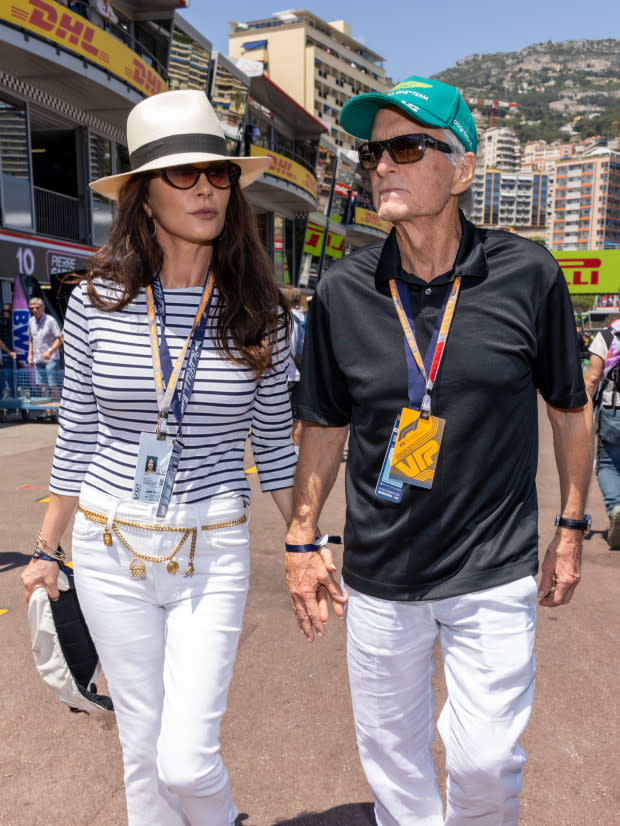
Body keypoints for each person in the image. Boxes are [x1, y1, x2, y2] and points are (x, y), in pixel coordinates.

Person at [284, 75, 593, 826]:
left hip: (491, 568)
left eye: (406, 147)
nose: (381, 165)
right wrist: (301, 537)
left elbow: (569, 407)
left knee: (485, 764)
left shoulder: (530, 275)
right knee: (393, 760)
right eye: (372, 151)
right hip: (382, 572)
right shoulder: (345, 291)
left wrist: (573, 525)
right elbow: (324, 423)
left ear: (462, 170)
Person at [21, 89, 295, 826]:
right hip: (109, 547)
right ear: (142, 196)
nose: (206, 187)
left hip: (214, 550)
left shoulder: (261, 310)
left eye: (218, 173)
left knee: (186, 757)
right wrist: (47, 547)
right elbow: (76, 431)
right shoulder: (95, 302)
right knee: (142, 752)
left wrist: (307, 539)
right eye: (183, 174)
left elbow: (273, 445)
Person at [584, 316, 620, 548]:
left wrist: (583, 412)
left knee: (607, 465)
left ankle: (616, 506)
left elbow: (593, 378)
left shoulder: (608, 336)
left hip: (613, 411)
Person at [280, 286, 305, 450]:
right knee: (297, 415)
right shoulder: (300, 320)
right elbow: (298, 350)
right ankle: (295, 449)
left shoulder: (283, 319)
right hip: (297, 374)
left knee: (284, 415)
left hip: (286, 374)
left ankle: (290, 450)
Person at [27, 297, 62, 397]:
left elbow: (60, 339)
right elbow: (31, 339)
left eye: (37, 307)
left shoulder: (50, 321)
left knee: (52, 384)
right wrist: (29, 355)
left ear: (43, 308)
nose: (34, 310)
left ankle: (55, 409)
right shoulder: (31, 321)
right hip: (37, 358)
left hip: (51, 358)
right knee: (42, 385)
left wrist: (50, 351)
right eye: (32, 308)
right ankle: (47, 410)